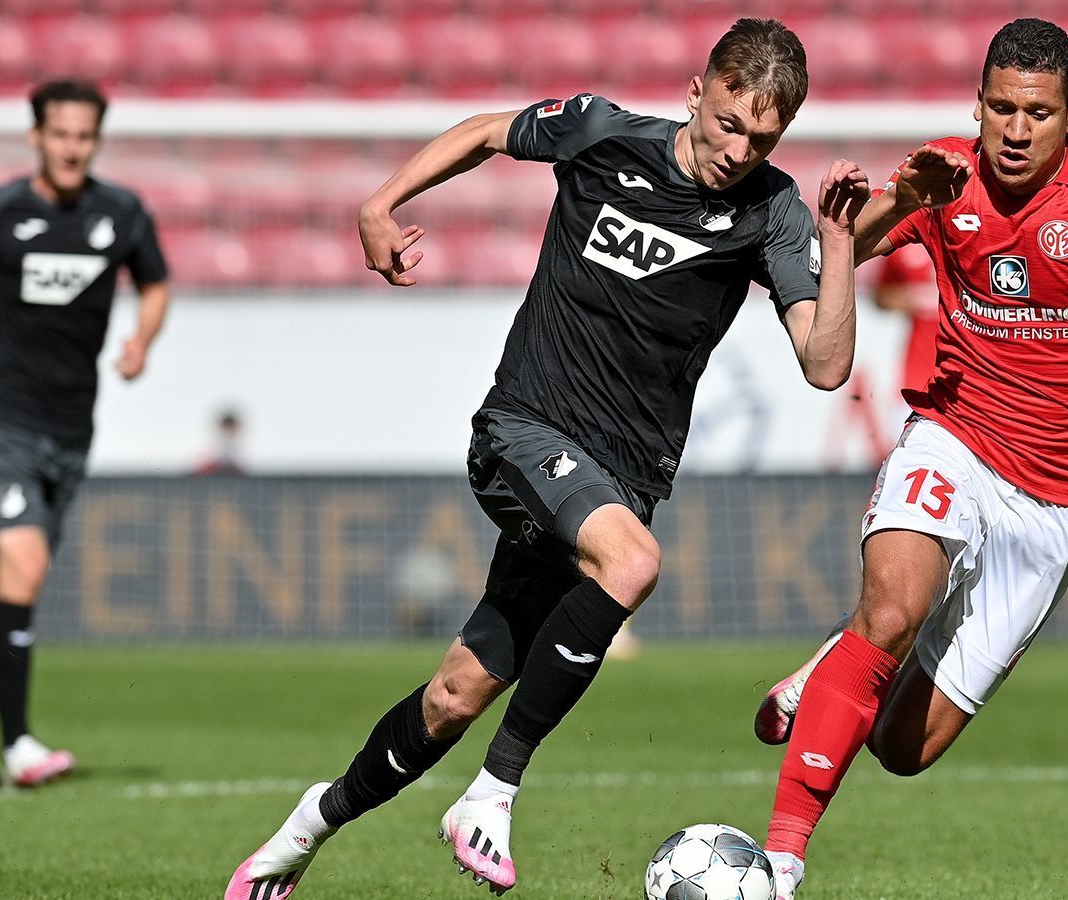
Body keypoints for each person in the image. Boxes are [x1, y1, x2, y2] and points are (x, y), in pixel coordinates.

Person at [224, 18, 869, 899]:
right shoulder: (604, 136)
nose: (737, 149)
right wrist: (382, 202)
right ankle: (491, 793)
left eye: (763, 137)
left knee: (454, 695)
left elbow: (826, 364)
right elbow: (489, 131)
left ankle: (303, 831)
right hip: (523, 432)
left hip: (617, 481)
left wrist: (838, 249)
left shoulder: (774, 213)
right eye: (728, 122)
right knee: (633, 564)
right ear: (697, 93)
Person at [746, 19, 1068, 898]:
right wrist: (898, 201)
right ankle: (779, 865)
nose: (1015, 130)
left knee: (903, 747)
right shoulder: (945, 170)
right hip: (958, 435)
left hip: (1058, 504)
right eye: (1001, 108)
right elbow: (837, 258)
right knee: (892, 607)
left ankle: (832, 666)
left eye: (1037, 113)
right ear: (977, 105)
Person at [0, 79, 171, 787]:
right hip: (4, 416)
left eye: (85, 136)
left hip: (71, 425)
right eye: (61, 134)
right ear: (36, 137)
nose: (73, 148)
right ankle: (17, 746)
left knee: (4, 583)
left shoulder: (123, 214)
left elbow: (157, 283)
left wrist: (141, 337)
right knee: (25, 567)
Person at [873, 243, 941, 402]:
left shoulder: (975, 241)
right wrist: (913, 298)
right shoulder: (903, 247)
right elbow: (880, 295)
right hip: (918, 372)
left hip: (968, 374)